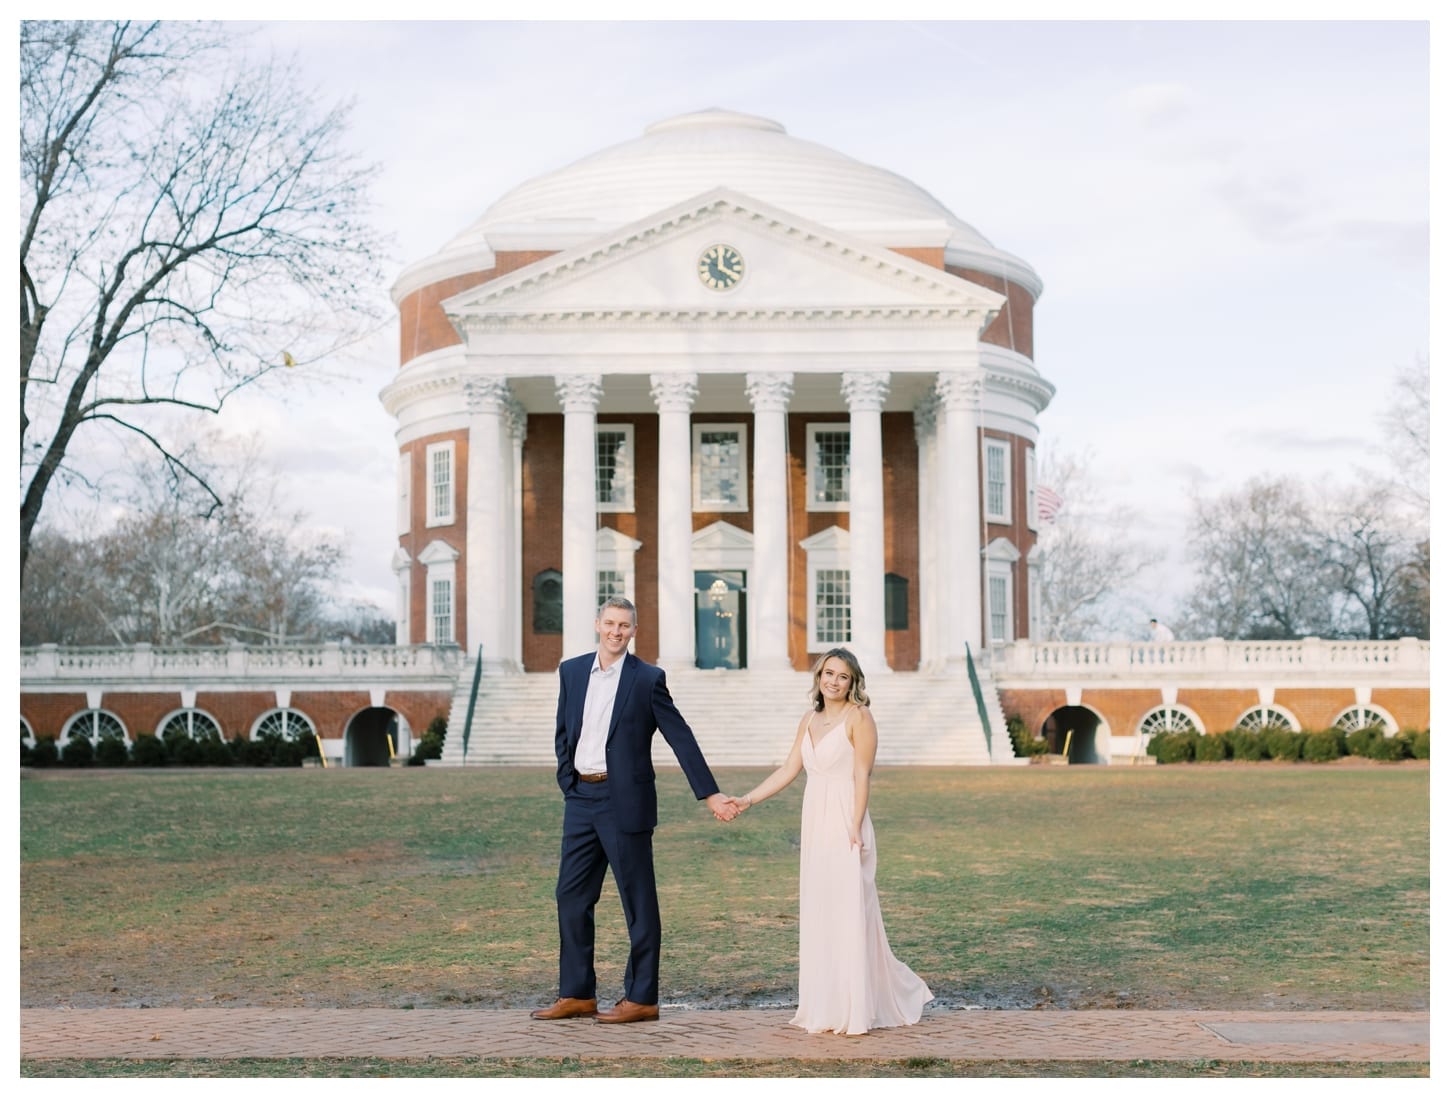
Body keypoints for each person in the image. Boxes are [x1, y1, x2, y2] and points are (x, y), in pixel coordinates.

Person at [531, 596, 738, 1025]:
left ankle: (641, 997)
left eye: (624, 625)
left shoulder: (647, 679)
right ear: (597, 625)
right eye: (610, 623)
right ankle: (576, 993)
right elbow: (564, 731)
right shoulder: (571, 671)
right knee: (570, 896)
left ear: (634, 631)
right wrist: (568, 779)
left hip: (625, 804)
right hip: (581, 801)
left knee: (638, 903)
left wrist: (710, 794)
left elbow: (680, 736)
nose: (616, 632)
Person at [726, 648, 932, 1035]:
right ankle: (826, 1004)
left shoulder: (860, 717)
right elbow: (790, 769)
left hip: (844, 819)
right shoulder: (809, 719)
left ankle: (859, 1005)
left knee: (850, 910)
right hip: (815, 820)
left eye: (843, 676)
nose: (833, 682)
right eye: (828, 673)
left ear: (853, 683)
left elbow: (862, 776)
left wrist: (854, 826)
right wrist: (748, 799)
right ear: (819, 676)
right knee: (822, 910)